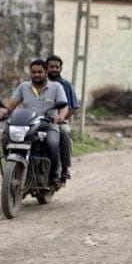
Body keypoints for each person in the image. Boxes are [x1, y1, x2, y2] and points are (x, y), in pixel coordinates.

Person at [0, 59, 68, 188]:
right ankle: (13, 170)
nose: (36, 74)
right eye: (34, 72)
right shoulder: (24, 87)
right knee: (7, 139)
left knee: (52, 143)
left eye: (40, 72)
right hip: (27, 125)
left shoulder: (56, 87)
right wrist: (3, 112)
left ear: (46, 72)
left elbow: (64, 106)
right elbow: (11, 104)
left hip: (48, 125)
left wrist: (60, 116)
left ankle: (54, 176)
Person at [47, 54, 80, 184]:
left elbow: (73, 107)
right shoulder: (39, 84)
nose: (54, 69)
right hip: (40, 120)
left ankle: (65, 168)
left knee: (65, 133)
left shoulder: (66, 85)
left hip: (59, 120)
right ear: (47, 68)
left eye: (57, 67)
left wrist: (61, 117)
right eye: (51, 67)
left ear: (60, 68)